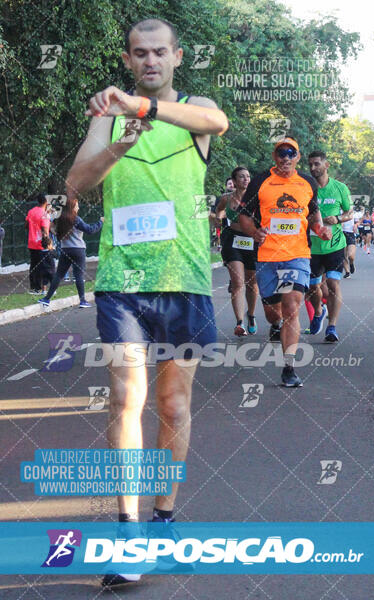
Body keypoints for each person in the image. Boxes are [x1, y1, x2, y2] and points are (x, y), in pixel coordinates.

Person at [65, 18, 228, 587]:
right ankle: (129, 534)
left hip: (182, 278)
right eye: (140, 53)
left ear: (177, 57)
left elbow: (217, 121)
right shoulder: (107, 115)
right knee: (123, 398)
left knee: (174, 406)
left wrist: (144, 110)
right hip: (122, 280)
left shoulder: (193, 109)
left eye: (160, 52)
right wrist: (117, 142)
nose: (151, 60)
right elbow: (77, 181)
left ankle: (165, 520)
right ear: (129, 58)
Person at [239, 137, 331, 387]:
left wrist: (319, 229)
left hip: (297, 254)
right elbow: (245, 217)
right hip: (267, 256)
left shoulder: (307, 182)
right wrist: (253, 232)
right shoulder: (260, 181)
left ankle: (289, 367)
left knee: (292, 306)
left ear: (298, 157)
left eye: (291, 153)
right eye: (281, 153)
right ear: (274, 156)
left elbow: (313, 213)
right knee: (273, 312)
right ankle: (275, 324)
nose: (286, 158)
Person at [306, 151, 353, 343]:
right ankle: (318, 311)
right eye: (310, 164)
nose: (313, 168)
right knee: (312, 287)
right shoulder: (306, 188)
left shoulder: (339, 188)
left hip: (334, 245)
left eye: (317, 164)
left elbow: (349, 212)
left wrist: (338, 218)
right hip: (311, 247)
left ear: (327, 165)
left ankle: (332, 327)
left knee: (333, 284)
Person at [38, 198, 103, 308]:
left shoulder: (60, 220)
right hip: (78, 250)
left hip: (65, 250)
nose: (78, 207)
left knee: (58, 275)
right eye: (76, 205)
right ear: (72, 207)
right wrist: (100, 222)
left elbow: (52, 229)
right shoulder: (76, 219)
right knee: (79, 275)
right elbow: (90, 230)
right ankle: (82, 301)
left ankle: (46, 299)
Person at [217, 166, 258, 335]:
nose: (245, 179)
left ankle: (251, 315)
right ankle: (239, 323)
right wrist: (218, 220)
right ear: (234, 181)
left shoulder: (257, 198)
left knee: (252, 284)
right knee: (237, 283)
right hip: (232, 241)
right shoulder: (227, 198)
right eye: (241, 177)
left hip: (252, 241)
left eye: (248, 176)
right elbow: (218, 211)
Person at [25, 193, 50, 294]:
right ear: (46, 201)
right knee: (42, 266)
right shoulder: (44, 214)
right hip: (41, 243)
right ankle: (41, 288)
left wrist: (32, 230)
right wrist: (48, 242)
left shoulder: (31, 211)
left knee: (33, 265)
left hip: (31, 242)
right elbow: (44, 230)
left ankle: (33, 288)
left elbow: (26, 225)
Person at [342, 210, 357, 278]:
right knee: (343, 255)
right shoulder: (336, 209)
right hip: (341, 233)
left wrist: (356, 225)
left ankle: (351, 263)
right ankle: (347, 272)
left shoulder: (352, 210)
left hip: (350, 233)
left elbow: (359, 221)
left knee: (351, 256)